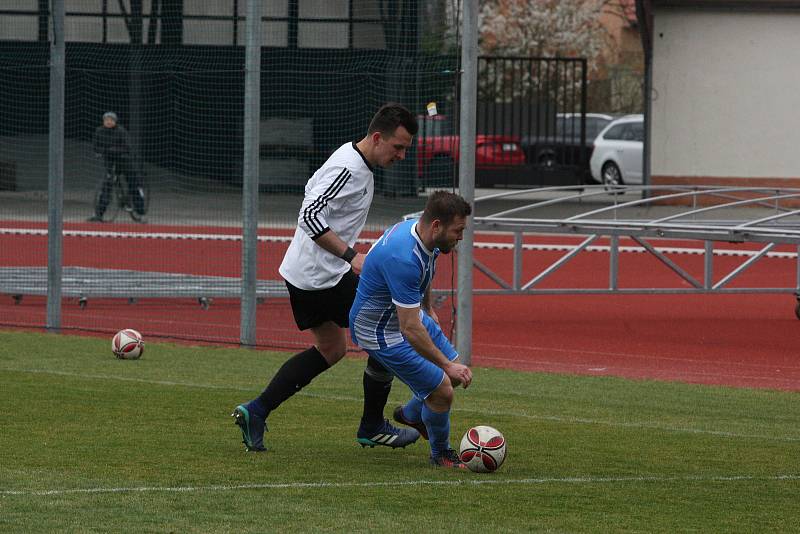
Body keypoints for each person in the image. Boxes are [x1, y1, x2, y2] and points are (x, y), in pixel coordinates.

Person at [232, 103, 420, 452]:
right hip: (323, 277)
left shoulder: (350, 158)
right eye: (398, 147)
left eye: (406, 149)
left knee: (331, 348)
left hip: (305, 273)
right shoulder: (349, 168)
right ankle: (374, 425)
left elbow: (311, 191)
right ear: (378, 138)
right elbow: (310, 216)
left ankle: (256, 411)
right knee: (390, 328)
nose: (402, 156)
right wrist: (352, 256)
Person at [349, 191, 473, 468]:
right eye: (458, 230)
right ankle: (440, 454)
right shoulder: (403, 257)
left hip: (403, 315)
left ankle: (412, 415)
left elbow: (424, 270)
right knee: (443, 389)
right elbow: (409, 329)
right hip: (379, 330)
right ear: (437, 226)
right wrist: (444, 366)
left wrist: (427, 308)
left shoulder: (423, 234)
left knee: (453, 369)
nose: (461, 237)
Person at [88, 111, 146, 223]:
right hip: (110, 162)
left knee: (134, 184)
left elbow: (127, 148)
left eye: (111, 120)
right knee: (106, 187)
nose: (109, 122)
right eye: (106, 120)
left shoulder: (121, 131)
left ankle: (141, 213)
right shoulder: (99, 131)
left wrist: (111, 151)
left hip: (125, 162)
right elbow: (96, 146)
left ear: (115, 121)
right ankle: (99, 215)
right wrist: (100, 152)